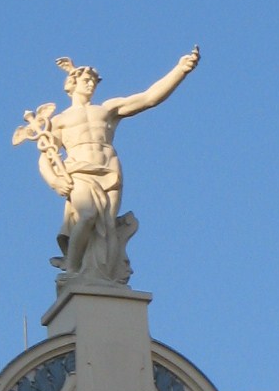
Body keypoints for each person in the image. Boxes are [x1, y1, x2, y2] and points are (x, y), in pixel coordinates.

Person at [13, 46, 200, 284]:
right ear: (72, 84)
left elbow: (149, 98)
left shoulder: (107, 110)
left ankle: (100, 275)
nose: (91, 84)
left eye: (94, 81)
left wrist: (181, 70)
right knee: (88, 216)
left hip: (109, 169)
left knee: (107, 227)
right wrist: (54, 181)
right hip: (79, 170)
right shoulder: (59, 120)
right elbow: (45, 156)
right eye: (86, 80)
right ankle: (72, 269)